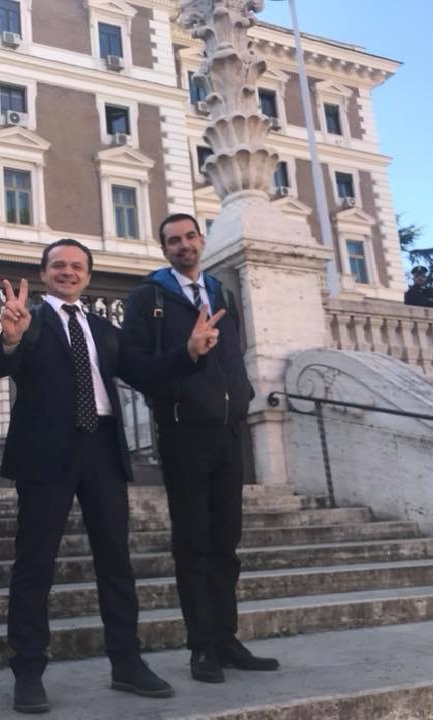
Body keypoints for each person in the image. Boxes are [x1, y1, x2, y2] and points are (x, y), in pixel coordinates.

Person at [0, 238, 222, 714]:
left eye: (77, 266)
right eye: (58, 265)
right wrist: (10, 338)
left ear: (88, 276)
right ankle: (28, 671)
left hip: (102, 451)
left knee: (116, 562)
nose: (68, 272)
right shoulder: (30, 320)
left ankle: (127, 663)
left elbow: (146, 373)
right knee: (35, 565)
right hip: (46, 454)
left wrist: (189, 352)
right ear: (44, 273)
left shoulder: (102, 330)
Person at [121, 213, 279, 685]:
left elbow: (232, 354)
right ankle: (202, 647)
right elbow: (133, 366)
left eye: (190, 237)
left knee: (225, 543)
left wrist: (243, 395)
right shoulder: (147, 297)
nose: (183, 245)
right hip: (182, 431)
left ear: (201, 240)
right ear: (163, 248)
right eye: (173, 240)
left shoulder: (219, 292)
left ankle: (226, 639)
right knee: (192, 545)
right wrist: (186, 356)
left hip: (228, 431)